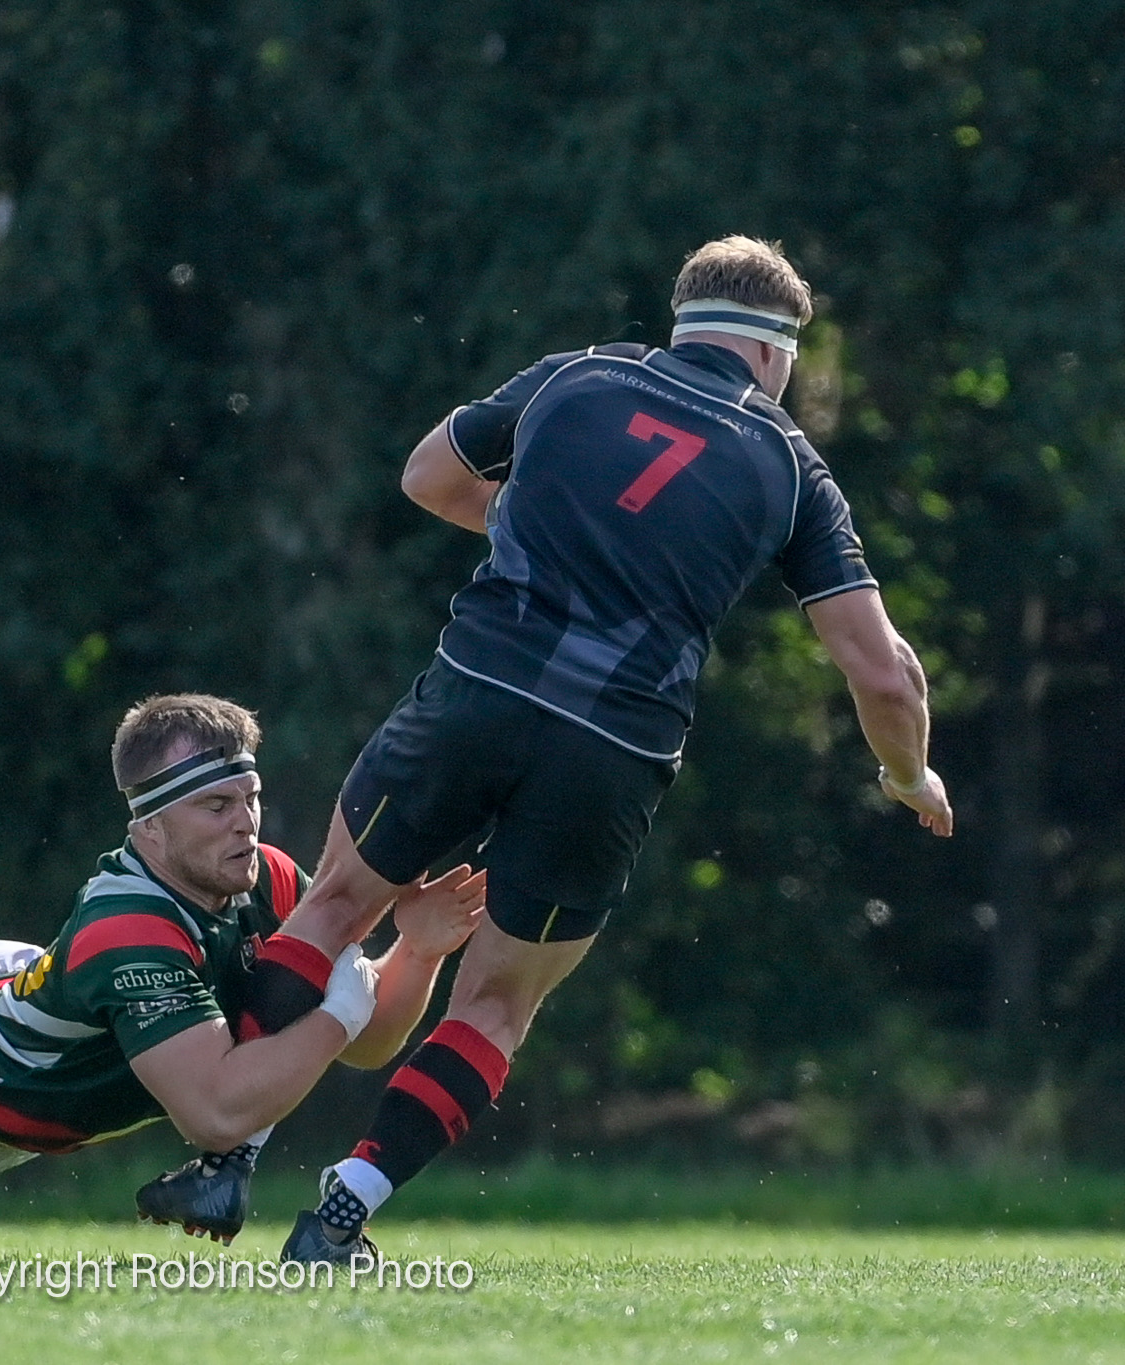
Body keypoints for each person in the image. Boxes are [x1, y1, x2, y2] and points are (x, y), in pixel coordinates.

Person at [263, 237, 954, 1263]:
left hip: (477, 692)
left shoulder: (573, 376)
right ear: (775, 354)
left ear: (683, 321)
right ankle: (344, 1206)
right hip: (611, 748)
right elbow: (883, 672)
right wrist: (907, 773)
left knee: (329, 909)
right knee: (495, 1002)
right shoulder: (787, 462)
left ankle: (224, 1142)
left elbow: (425, 476)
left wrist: (526, 525)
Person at [0, 694, 486, 1219]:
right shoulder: (130, 932)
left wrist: (416, 950)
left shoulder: (265, 877)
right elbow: (217, 1111)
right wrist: (345, 1001)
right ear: (149, 829)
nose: (245, 822)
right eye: (215, 805)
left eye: (250, 797)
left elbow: (370, 1040)